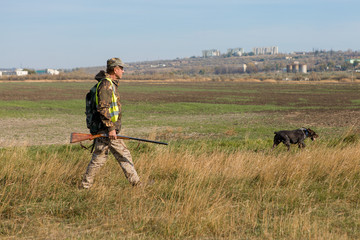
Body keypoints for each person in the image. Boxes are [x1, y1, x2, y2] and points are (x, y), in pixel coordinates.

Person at [81, 57, 140, 188]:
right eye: (122, 69)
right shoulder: (106, 85)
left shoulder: (108, 83)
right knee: (124, 155)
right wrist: (111, 128)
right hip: (107, 130)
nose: (123, 71)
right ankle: (137, 184)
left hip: (105, 129)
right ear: (115, 69)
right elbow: (103, 108)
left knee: (99, 158)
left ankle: (85, 185)